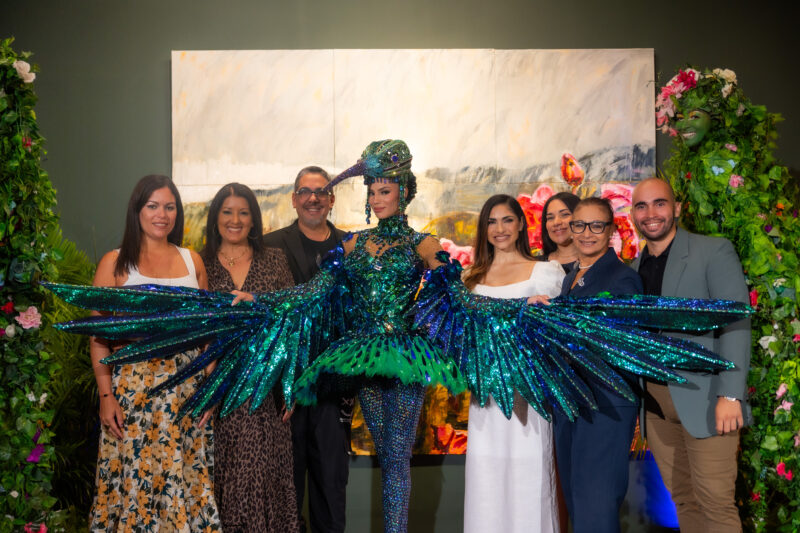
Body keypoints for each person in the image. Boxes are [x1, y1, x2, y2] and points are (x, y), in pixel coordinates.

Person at [50, 141, 749, 533]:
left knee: (394, 466)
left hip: (407, 359)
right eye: (373, 188)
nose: (376, 195)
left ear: (403, 193)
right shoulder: (350, 248)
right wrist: (257, 309)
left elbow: (456, 286)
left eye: (386, 187)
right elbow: (317, 293)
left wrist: (474, 303)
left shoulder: (421, 242)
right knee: (364, 452)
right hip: (358, 360)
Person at [88, 174, 220, 531]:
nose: (162, 214)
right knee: (136, 483)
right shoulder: (114, 263)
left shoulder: (193, 261)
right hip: (134, 390)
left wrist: (212, 390)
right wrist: (106, 395)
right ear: (137, 210)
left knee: (187, 481)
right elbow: (98, 338)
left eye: (170, 206)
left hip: (187, 389)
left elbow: (208, 335)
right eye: (153, 206)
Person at [631, 177, 750, 533]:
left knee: (715, 503)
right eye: (641, 206)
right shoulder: (635, 267)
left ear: (677, 208)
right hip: (655, 404)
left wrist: (731, 394)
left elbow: (736, 321)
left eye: (660, 203)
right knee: (684, 500)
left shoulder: (712, 251)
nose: (651, 214)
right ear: (633, 215)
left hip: (707, 398)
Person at [462, 194, 564, 533]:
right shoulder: (471, 279)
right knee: (486, 480)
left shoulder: (546, 272)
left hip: (527, 395)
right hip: (485, 397)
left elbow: (553, 338)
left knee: (529, 479)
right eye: (492, 221)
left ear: (521, 224)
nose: (500, 228)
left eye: (507, 219)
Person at [202, 183, 299, 532]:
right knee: (228, 474)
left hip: (266, 387)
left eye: (243, 212)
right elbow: (199, 331)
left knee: (266, 473)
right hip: (221, 387)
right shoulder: (202, 264)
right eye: (227, 211)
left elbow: (292, 323)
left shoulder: (273, 259)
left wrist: (289, 384)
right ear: (215, 219)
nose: (235, 219)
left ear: (254, 220)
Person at [263, 166, 350, 533]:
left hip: (334, 387)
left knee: (331, 492)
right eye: (305, 191)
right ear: (294, 199)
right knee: (287, 490)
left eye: (321, 191)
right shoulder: (270, 245)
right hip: (285, 389)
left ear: (332, 199)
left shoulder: (352, 245)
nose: (313, 197)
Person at [552, 197, 642, 533]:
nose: (586, 233)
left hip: (604, 406)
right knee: (578, 506)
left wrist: (552, 323)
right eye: (579, 225)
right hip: (571, 405)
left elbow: (613, 347)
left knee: (596, 510)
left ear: (611, 231)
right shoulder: (573, 276)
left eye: (596, 225)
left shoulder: (622, 280)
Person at [540, 191, 580, 272]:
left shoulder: (596, 262)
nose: (556, 222)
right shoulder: (537, 265)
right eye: (550, 218)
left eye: (565, 214)